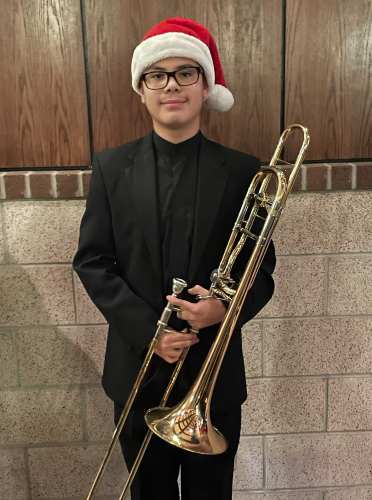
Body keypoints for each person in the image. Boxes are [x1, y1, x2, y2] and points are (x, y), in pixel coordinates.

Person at [73, 17, 276, 500]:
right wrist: (150, 333)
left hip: (215, 373)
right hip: (138, 370)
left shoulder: (247, 171)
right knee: (149, 493)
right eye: (156, 75)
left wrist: (225, 309)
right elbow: (93, 261)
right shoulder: (110, 167)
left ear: (206, 86)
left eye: (186, 72)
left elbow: (261, 272)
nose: (171, 86)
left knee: (212, 494)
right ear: (141, 90)